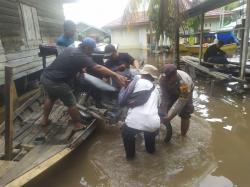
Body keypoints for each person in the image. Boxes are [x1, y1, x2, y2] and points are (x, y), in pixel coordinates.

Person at [40, 37, 126, 132]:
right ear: (86, 48)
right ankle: (77, 124)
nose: (92, 51)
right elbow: (98, 67)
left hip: (46, 77)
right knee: (71, 102)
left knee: (51, 98)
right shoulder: (80, 55)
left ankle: (44, 120)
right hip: (56, 81)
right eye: (92, 49)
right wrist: (115, 75)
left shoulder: (71, 49)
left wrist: (80, 71)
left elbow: (72, 63)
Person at [120, 65, 160, 160]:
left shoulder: (137, 81)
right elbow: (158, 107)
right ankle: (151, 152)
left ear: (142, 74)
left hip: (134, 121)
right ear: (153, 78)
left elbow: (122, 102)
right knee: (150, 145)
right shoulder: (157, 90)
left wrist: (122, 88)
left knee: (126, 133)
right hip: (153, 123)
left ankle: (131, 158)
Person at [159, 64, 194, 137]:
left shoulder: (184, 83)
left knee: (185, 113)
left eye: (168, 79)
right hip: (170, 90)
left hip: (186, 90)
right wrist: (164, 112)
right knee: (162, 110)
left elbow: (182, 101)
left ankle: (183, 136)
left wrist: (170, 117)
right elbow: (164, 97)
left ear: (174, 76)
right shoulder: (162, 78)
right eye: (165, 78)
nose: (166, 80)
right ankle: (159, 129)